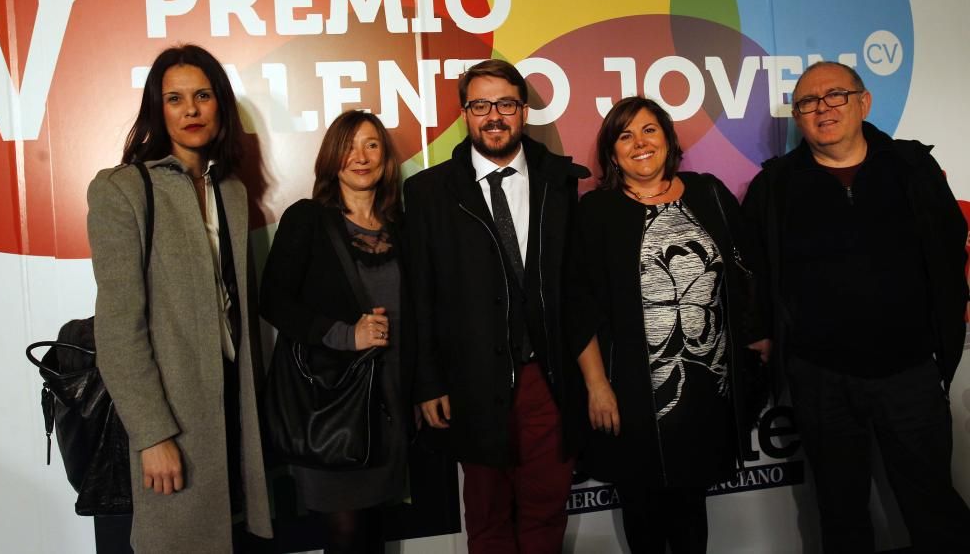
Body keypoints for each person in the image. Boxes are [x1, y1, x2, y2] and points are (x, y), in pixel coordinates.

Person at [742, 61, 970, 553]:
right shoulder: (775, 186)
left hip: (909, 370)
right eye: (807, 102)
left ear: (863, 102)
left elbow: (951, 245)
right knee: (841, 511)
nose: (822, 108)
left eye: (835, 96)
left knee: (934, 505)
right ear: (797, 119)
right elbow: (754, 271)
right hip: (821, 377)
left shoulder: (912, 167)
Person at [87, 44, 272, 552]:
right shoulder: (122, 190)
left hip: (232, 400)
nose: (190, 110)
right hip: (175, 409)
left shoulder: (230, 189)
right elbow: (120, 327)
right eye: (174, 98)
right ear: (158, 109)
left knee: (235, 536)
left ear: (220, 105)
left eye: (202, 96)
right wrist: (152, 434)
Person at [567, 96, 770, 554]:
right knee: (644, 517)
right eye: (625, 135)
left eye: (649, 130)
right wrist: (597, 384)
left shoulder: (708, 193)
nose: (640, 143)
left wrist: (759, 334)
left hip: (705, 390)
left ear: (668, 139)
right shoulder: (596, 212)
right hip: (633, 394)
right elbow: (579, 306)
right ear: (612, 152)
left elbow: (748, 270)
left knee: (691, 515)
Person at [403, 59, 588, 553]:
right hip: (470, 381)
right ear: (465, 113)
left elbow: (576, 288)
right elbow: (420, 296)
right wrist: (428, 381)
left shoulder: (559, 181)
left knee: (545, 512)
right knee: (486, 518)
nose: (493, 116)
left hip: (545, 377)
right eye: (480, 105)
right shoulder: (428, 192)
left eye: (505, 104)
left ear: (523, 112)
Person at [259, 110, 408, 554]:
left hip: (392, 402)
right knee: (344, 534)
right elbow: (273, 301)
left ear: (385, 158)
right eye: (348, 145)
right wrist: (346, 334)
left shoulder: (404, 226)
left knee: (375, 528)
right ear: (331, 158)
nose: (359, 157)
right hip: (331, 406)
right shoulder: (307, 218)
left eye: (371, 145)